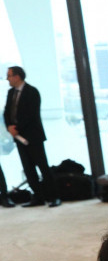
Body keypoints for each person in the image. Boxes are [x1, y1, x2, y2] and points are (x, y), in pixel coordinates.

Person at [5, 66, 58, 208]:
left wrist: (17, 128)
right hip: (18, 137)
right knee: (28, 168)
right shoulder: (11, 93)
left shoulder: (32, 92)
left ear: (17, 76)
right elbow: (7, 112)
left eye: (9, 75)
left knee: (42, 166)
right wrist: (9, 127)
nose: (7, 79)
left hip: (33, 136)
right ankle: (38, 197)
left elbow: (31, 114)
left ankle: (54, 197)